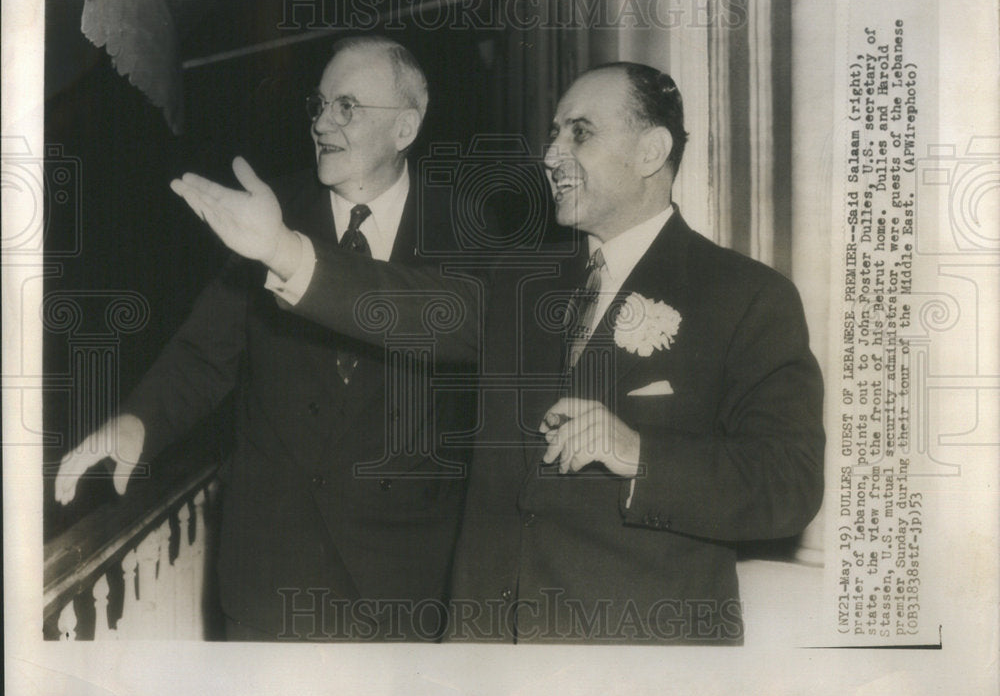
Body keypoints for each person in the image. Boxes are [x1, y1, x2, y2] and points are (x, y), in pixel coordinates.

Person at [174, 61, 825, 644]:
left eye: (580, 133)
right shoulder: (521, 281)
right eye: (553, 132)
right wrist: (284, 250)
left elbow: (789, 484)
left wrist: (640, 454)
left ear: (651, 150)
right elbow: (406, 303)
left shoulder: (744, 297)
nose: (551, 153)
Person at [55, 35, 473, 642]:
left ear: (405, 127)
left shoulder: (464, 232)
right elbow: (204, 355)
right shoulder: (271, 213)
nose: (322, 123)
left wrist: (285, 253)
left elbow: (457, 339)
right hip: (273, 582)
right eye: (319, 104)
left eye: (347, 107)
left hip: (402, 589)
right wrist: (139, 421)